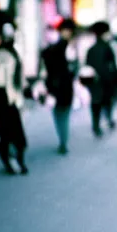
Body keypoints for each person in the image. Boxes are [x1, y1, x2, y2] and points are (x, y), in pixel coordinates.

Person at [0, 23, 29, 175]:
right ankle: (12, 162)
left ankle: (17, 161)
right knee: (6, 133)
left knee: (14, 133)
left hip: (9, 97)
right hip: (2, 97)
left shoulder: (10, 53)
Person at [40, 17, 79, 154]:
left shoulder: (56, 48)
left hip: (56, 85)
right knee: (63, 115)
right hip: (63, 85)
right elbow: (74, 68)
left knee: (59, 114)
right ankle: (63, 140)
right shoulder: (69, 47)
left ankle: (63, 140)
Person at [85, 21, 117, 137]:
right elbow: (113, 65)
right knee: (107, 102)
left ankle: (96, 126)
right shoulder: (108, 47)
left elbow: (87, 66)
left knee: (96, 104)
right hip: (106, 81)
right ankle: (109, 119)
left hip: (94, 82)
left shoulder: (91, 50)